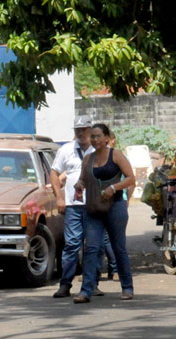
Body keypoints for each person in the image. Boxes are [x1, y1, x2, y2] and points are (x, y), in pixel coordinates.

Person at [73, 123, 135, 303]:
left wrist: (114, 187)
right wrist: (79, 184)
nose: (95, 139)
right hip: (94, 208)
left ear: (107, 138)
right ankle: (86, 290)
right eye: (92, 136)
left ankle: (127, 287)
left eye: (98, 136)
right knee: (91, 248)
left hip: (115, 206)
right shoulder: (88, 159)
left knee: (118, 247)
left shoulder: (115, 155)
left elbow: (131, 178)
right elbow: (83, 179)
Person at [50, 115, 99, 298]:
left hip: (94, 205)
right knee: (71, 245)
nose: (81, 133)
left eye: (84, 129)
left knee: (93, 245)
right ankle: (65, 284)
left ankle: (92, 284)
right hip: (73, 205)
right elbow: (54, 173)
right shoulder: (66, 149)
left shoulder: (99, 149)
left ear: (91, 129)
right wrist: (59, 198)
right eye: (77, 130)